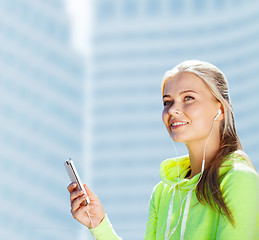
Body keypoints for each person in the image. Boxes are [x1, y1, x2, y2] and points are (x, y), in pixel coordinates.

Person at [67, 60, 259, 240]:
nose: (173, 110)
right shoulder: (163, 192)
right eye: (167, 102)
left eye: (188, 98)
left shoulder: (238, 178)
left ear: (221, 109)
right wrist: (99, 224)